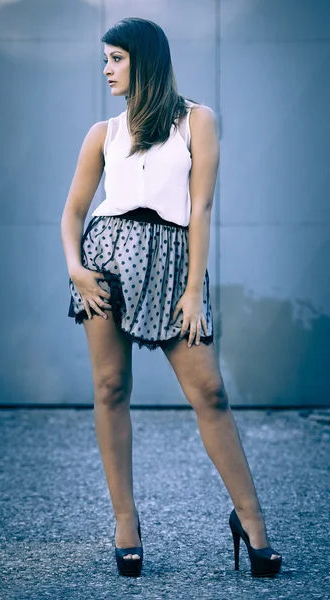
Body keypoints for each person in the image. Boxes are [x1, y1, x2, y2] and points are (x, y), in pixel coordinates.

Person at [61, 17, 282, 578]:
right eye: (105, 60)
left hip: (172, 263)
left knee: (209, 391)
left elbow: (201, 209)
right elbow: (73, 212)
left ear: (144, 59)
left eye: (116, 58)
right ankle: (126, 523)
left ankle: (251, 522)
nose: (107, 70)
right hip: (107, 260)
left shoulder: (196, 121)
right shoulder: (102, 133)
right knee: (111, 387)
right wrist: (75, 270)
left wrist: (192, 293)